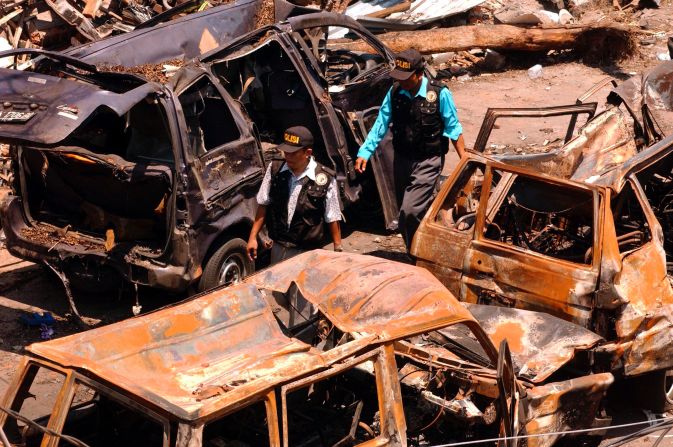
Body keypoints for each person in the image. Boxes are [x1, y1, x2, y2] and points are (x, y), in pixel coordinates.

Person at [354, 48, 465, 251]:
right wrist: (365, 151)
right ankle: (418, 249)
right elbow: (381, 122)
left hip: (428, 161)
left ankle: (416, 253)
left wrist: (465, 160)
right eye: (399, 77)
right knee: (404, 211)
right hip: (402, 160)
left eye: (407, 77)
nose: (402, 82)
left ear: (419, 74)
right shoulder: (395, 92)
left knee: (410, 211)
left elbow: (454, 128)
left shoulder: (439, 93)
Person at [247, 126, 343, 264]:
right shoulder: (275, 169)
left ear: (307, 152)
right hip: (279, 247)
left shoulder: (324, 178)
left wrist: (338, 249)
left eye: (293, 153)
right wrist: (252, 238)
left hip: (308, 251)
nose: (287, 156)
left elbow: (332, 216)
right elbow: (263, 203)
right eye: (286, 152)